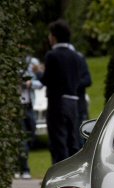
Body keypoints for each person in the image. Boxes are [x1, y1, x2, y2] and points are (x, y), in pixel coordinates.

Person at [34, 19, 81, 164]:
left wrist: (38, 73)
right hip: (73, 101)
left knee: (58, 141)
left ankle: (59, 176)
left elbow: (47, 80)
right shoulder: (76, 56)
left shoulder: (52, 55)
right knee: (72, 141)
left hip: (57, 102)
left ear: (54, 37)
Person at [16, 52, 43, 179]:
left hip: (29, 105)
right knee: (22, 139)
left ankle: (17, 165)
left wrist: (30, 83)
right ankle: (25, 169)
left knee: (31, 133)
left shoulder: (32, 62)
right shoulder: (12, 62)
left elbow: (41, 82)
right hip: (17, 106)